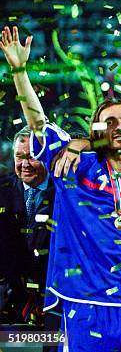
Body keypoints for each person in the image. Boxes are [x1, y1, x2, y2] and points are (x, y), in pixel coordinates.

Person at [1, 25, 121, 351]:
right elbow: (39, 124)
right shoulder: (76, 166)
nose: (119, 127)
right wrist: (19, 71)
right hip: (83, 304)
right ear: (97, 131)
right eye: (110, 122)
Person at [1, 126, 54, 326]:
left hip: (53, 300)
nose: (25, 164)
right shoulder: (2, 189)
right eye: (19, 156)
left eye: (32, 157)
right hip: (9, 301)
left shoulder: (64, 193)